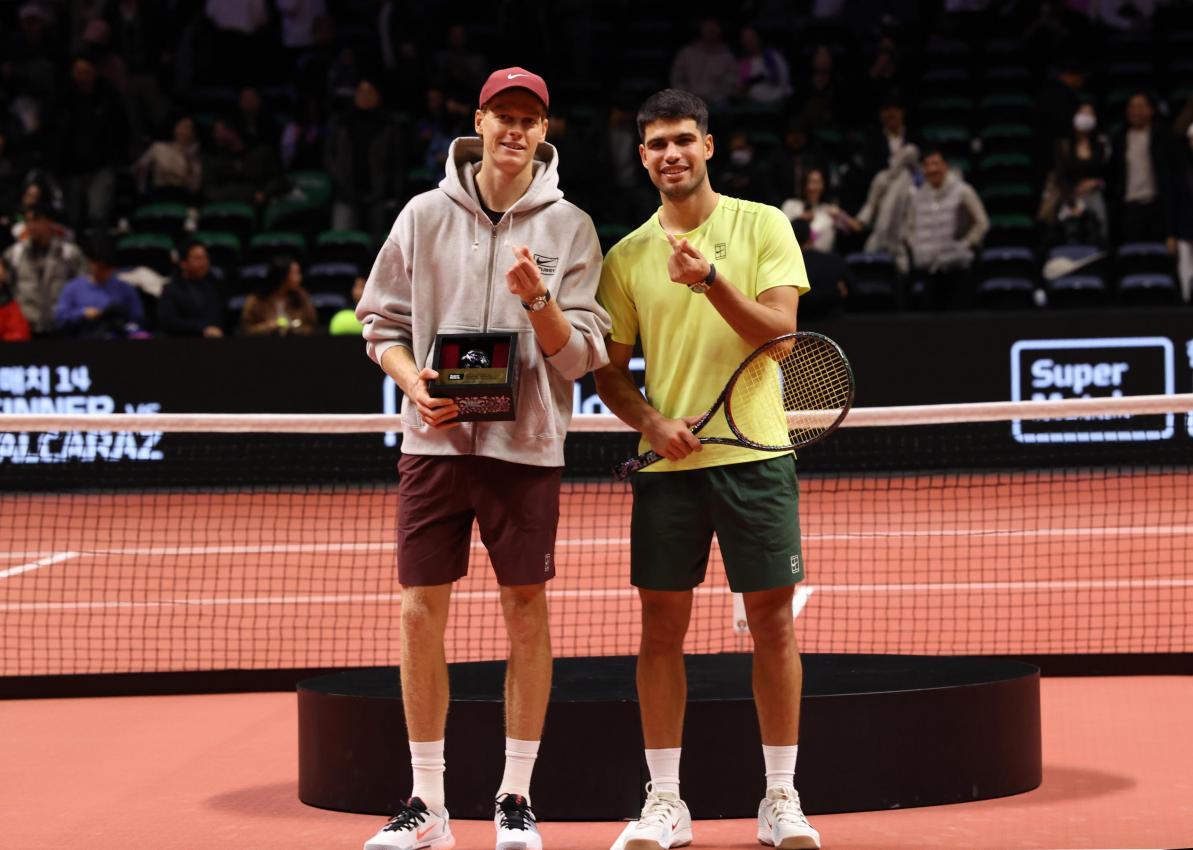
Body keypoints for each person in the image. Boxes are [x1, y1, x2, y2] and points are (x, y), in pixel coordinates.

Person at [355, 66, 609, 850]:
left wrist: (538, 300)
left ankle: (513, 798)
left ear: (544, 132)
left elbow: (581, 359)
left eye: (527, 118)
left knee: (524, 613)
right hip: (434, 441)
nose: (513, 129)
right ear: (479, 121)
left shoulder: (570, 228)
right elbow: (379, 325)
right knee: (416, 612)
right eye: (502, 114)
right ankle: (426, 802)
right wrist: (413, 383)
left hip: (524, 448)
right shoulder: (424, 215)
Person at [593, 88, 819, 850]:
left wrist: (709, 282)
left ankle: (780, 798)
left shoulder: (761, 226)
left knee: (772, 627)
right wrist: (652, 421)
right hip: (668, 466)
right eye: (656, 144)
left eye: (683, 140)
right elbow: (609, 373)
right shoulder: (624, 256)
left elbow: (784, 340)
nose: (670, 155)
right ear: (642, 156)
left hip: (755, 457)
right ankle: (665, 802)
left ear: (708, 147)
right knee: (660, 633)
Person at [903, 147, 989, 309]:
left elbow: (982, 222)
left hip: (956, 269)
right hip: (927, 269)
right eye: (927, 165)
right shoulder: (917, 196)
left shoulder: (963, 191)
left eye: (936, 164)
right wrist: (917, 247)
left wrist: (966, 244)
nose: (932, 169)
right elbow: (909, 228)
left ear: (946, 166)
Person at [2, 202, 86, 336]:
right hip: (27, 332)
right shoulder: (14, 254)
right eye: (28, 221)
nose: (31, 226)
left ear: (49, 222)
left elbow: (84, 290)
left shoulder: (69, 253)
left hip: (63, 331)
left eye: (36, 220)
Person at [54, 238, 145, 338]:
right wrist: (82, 313)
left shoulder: (125, 288)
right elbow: (60, 318)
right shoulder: (73, 288)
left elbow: (137, 318)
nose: (104, 272)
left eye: (107, 268)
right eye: (100, 267)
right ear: (90, 263)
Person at [157, 241, 225, 337]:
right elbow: (168, 321)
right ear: (183, 263)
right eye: (198, 258)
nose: (204, 262)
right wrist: (201, 328)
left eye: (205, 258)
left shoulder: (214, 286)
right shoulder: (171, 289)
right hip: (182, 343)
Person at [239, 255, 317, 336]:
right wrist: (267, 327)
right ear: (282, 276)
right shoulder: (255, 300)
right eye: (295, 273)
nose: (300, 278)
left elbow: (311, 326)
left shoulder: (301, 296)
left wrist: (294, 330)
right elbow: (245, 330)